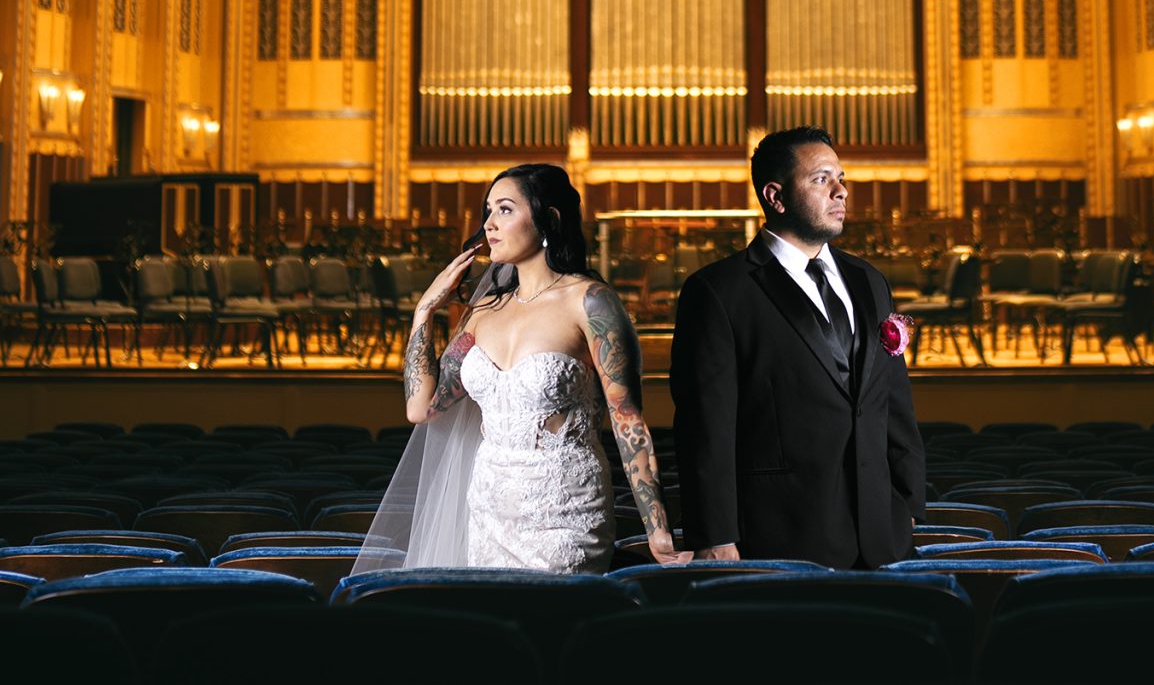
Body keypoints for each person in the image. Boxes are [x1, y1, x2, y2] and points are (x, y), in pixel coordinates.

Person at [362, 162, 687, 573]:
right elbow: (420, 408)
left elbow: (628, 422)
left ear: (548, 218)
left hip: (564, 508)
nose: (489, 225)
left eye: (505, 209)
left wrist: (656, 527)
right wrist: (424, 311)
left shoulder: (590, 302)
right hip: (488, 509)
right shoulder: (483, 311)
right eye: (488, 211)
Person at [670, 126, 926, 567]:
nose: (841, 191)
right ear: (776, 195)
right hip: (780, 533)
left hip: (883, 533)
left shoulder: (869, 281)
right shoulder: (718, 291)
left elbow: (893, 400)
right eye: (822, 179)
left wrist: (909, 502)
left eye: (841, 178)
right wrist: (715, 534)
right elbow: (705, 427)